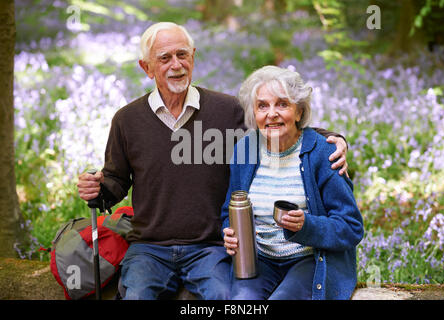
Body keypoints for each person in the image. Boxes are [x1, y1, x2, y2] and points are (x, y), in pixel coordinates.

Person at [76, 22, 349, 300]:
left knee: (223, 297)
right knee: (137, 296)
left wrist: (332, 138)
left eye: (182, 54)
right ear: (146, 67)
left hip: (210, 247)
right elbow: (116, 180)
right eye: (164, 58)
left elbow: (277, 126)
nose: (176, 65)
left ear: (193, 56)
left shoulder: (227, 110)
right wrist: (98, 189)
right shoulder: (127, 120)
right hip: (150, 247)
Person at [222, 65, 364, 300]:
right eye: (262, 106)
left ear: (299, 112)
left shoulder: (323, 153)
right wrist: (228, 231)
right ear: (254, 114)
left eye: (282, 104)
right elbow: (228, 210)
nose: (272, 113)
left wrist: (306, 226)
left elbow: (351, 227)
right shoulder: (244, 150)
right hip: (259, 261)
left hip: (309, 261)